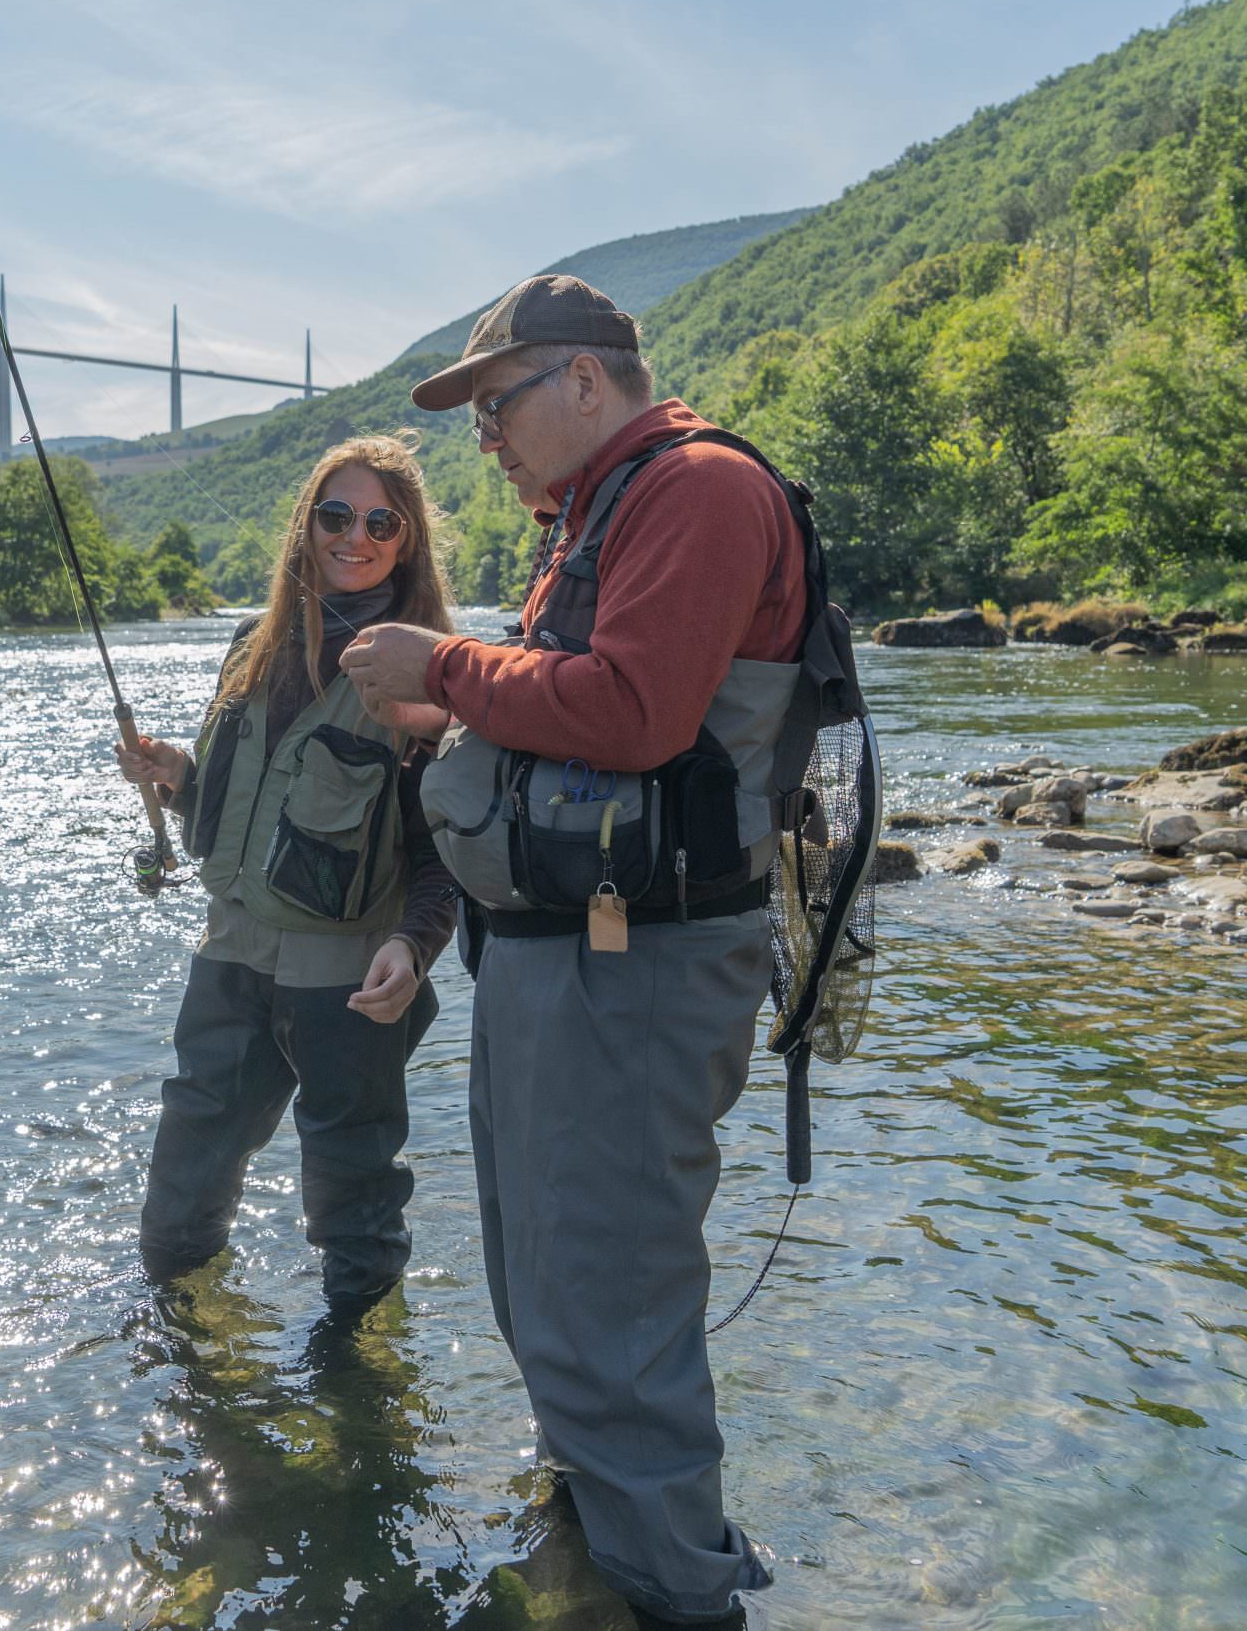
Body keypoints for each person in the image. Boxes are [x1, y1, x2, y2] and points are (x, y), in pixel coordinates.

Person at [338, 276, 807, 1628]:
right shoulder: (597, 510)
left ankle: (675, 1592)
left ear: (589, 380)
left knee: (604, 1288)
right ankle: (613, 1535)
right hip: (572, 953)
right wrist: (462, 711)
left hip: (638, 966)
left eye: (497, 403)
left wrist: (446, 672)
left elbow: (641, 709)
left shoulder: (697, 487)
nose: (482, 434)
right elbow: (583, 715)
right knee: (545, 1270)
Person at [115, 432, 460, 1307]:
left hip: (348, 983)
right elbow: (239, 806)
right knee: (181, 1197)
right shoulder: (251, 644)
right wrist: (178, 778)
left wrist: (415, 947)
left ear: (408, 539)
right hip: (229, 959)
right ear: (307, 524)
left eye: (382, 521)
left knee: (354, 1210)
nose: (358, 536)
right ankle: (179, 1355)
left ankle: (361, 1397)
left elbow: (445, 847)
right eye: (337, 514)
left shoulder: (429, 670)